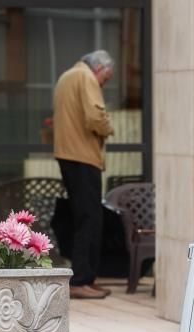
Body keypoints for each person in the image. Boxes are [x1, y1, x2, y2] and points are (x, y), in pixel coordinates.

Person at [53, 50, 115, 299]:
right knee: (90, 219)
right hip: (83, 156)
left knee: (83, 217)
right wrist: (109, 126)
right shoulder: (86, 77)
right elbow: (95, 117)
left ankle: (85, 277)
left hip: (68, 155)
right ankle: (80, 280)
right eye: (106, 79)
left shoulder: (66, 76)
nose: (104, 84)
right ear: (99, 68)